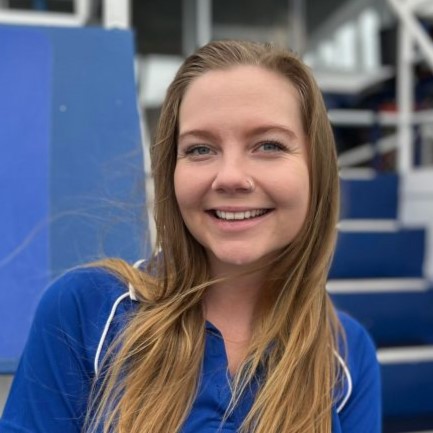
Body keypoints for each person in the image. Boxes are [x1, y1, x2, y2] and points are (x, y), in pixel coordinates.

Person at [0, 40, 381, 433]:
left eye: (269, 145)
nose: (231, 176)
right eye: (200, 149)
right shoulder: (85, 310)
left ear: (316, 170)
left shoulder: (347, 353)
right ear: (171, 171)